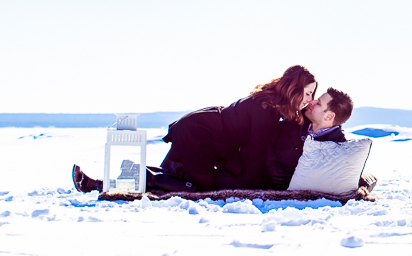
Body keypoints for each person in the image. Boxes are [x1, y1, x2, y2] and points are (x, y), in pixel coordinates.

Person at [73, 64, 317, 193]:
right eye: (307, 93)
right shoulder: (268, 109)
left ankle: (122, 176)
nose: (308, 99)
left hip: (200, 128)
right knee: (200, 188)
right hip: (199, 135)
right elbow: (256, 151)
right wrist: (251, 182)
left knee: (180, 178)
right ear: (293, 89)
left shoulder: (270, 102)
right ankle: (134, 176)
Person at [264, 87, 354, 190]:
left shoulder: (339, 148)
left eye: (318, 103)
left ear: (329, 116)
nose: (311, 102)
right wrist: (271, 163)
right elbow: (265, 138)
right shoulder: (293, 120)